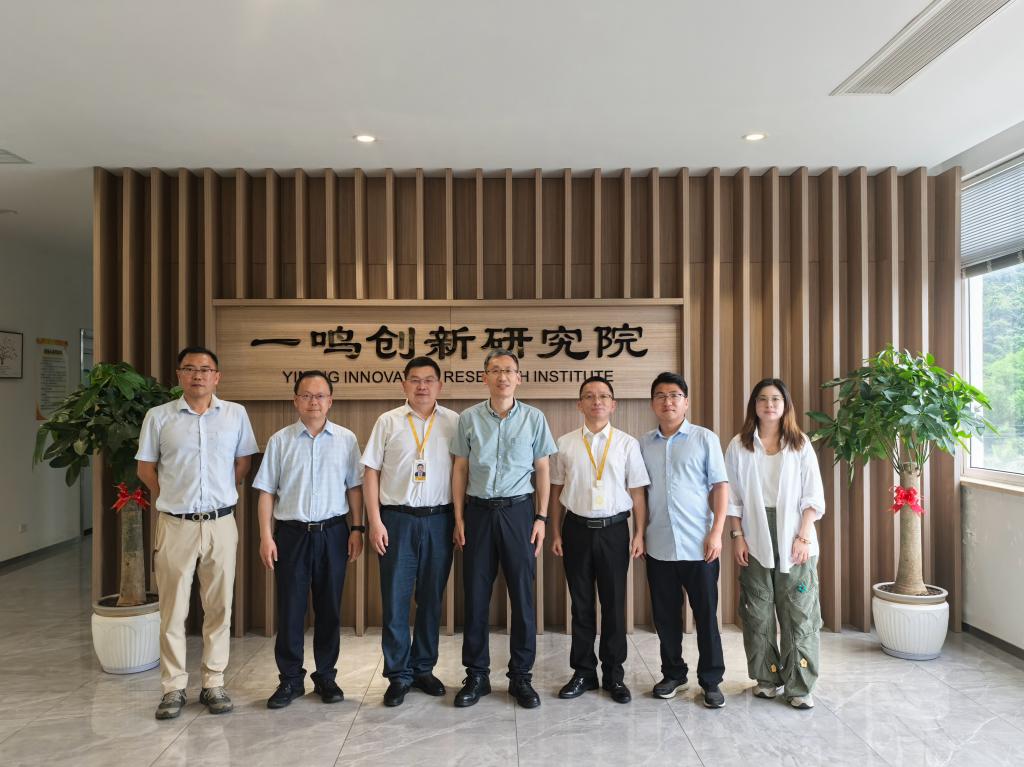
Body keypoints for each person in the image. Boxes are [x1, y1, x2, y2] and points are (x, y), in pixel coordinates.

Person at [137, 346, 258, 720]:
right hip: (175, 525)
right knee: (173, 609)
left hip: (221, 523)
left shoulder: (235, 414)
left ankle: (213, 682)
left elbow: (243, 462)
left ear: (217, 377)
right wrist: (173, 497)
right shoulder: (159, 417)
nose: (198, 375)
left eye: (205, 369)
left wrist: (221, 494)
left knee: (219, 606)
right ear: (179, 376)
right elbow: (145, 468)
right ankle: (173, 687)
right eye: (189, 369)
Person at [450, 349, 557, 709]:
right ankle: (476, 675)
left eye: (509, 370)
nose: (502, 376)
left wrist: (541, 518)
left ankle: (521, 677)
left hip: (519, 512)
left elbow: (543, 469)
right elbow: (460, 468)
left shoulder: (534, 418)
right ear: (485, 377)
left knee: (522, 598)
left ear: (519, 378)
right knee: (475, 596)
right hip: (478, 513)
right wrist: (459, 517)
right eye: (495, 370)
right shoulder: (468, 418)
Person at [252, 370, 365, 709]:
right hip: (291, 535)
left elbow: (354, 488)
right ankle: (290, 680)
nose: (313, 402)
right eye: (306, 395)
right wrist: (265, 536)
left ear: (330, 401)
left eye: (320, 396)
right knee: (291, 609)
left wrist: (357, 529)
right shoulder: (280, 441)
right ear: (295, 401)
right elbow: (266, 492)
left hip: (333, 533)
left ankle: (326, 676)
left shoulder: (346, 439)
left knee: (330, 608)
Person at [361, 356, 458, 707]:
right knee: (395, 600)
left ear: (439, 385)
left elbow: (462, 473)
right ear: (403, 384)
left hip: (439, 520)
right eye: (415, 379)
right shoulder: (387, 421)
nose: (422, 386)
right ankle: (398, 674)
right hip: (396, 520)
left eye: (429, 380)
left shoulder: (454, 422)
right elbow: (370, 472)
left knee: (431, 599)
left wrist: (459, 520)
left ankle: (423, 668)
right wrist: (375, 521)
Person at [724, 378, 825, 709]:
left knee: (799, 611)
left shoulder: (799, 444)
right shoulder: (739, 445)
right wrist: (737, 537)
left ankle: (800, 686)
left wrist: (804, 536)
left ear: (785, 406)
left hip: (795, 533)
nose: (769, 405)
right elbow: (732, 498)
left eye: (776, 399)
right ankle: (766, 679)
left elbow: (813, 495)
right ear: (754, 405)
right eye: (763, 399)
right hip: (754, 534)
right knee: (757, 610)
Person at [549, 375, 649, 704]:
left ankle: (614, 675)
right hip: (576, 529)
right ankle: (583, 672)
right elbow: (555, 491)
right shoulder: (564, 443)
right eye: (589, 396)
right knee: (580, 605)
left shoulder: (627, 444)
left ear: (613, 404)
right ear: (579, 405)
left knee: (614, 605)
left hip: (614, 530)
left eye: (604, 396)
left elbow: (637, 493)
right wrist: (556, 531)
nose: (597, 401)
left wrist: (639, 533)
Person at [639, 371, 729, 708]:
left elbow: (720, 486)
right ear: (653, 403)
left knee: (706, 616)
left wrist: (717, 532)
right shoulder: (643, 444)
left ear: (686, 402)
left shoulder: (705, 439)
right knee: (665, 617)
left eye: (675, 395)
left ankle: (711, 680)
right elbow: (639, 493)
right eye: (661, 396)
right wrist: (639, 534)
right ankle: (673, 674)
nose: (668, 401)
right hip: (658, 544)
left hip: (699, 545)